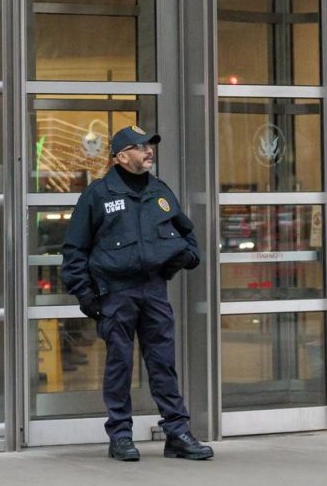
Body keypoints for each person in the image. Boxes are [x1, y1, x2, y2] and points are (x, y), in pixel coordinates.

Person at [60, 125, 213, 462]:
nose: (148, 151)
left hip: (153, 292)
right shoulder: (98, 195)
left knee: (163, 364)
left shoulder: (159, 191)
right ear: (120, 155)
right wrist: (88, 298)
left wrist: (173, 265)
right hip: (116, 293)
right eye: (140, 146)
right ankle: (120, 436)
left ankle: (177, 433)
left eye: (149, 145)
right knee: (118, 365)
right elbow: (74, 252)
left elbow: (187, 237)